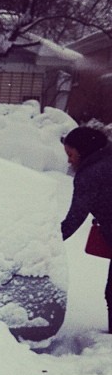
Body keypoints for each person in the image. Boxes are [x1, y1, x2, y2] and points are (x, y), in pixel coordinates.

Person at [60, 126, 112, 333]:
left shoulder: (91, 174)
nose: (69, 161)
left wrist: (50, 239)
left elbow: (75, 217)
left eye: (71, 154)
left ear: (83, 151)